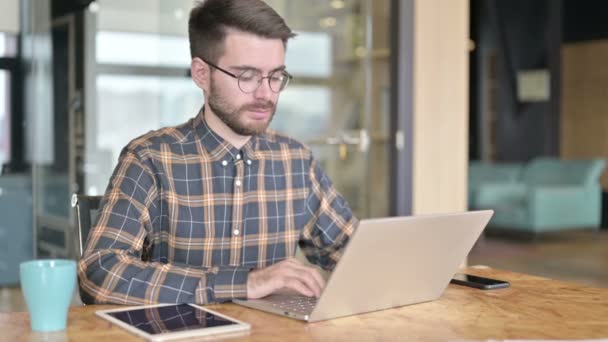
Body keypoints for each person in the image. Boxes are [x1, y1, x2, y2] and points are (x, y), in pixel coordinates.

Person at [78, 0, 358, 305]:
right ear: (201, 74)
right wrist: (245, 283)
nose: (265, 93)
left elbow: (355, 254)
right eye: (247, 76)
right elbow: (99, 272)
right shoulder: (150, 158)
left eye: (276, 76)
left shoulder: (296, 161)